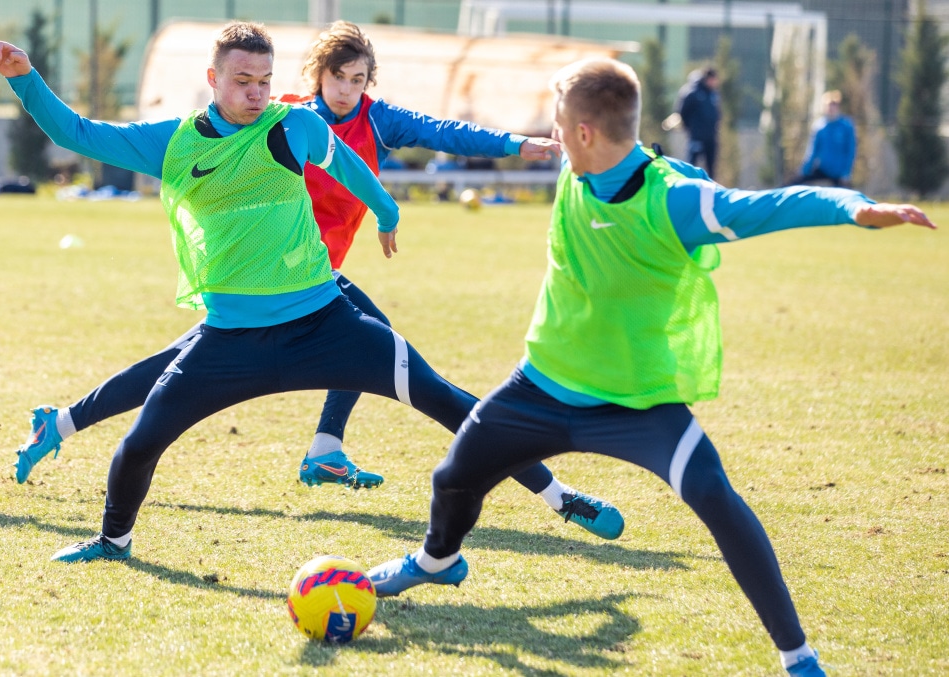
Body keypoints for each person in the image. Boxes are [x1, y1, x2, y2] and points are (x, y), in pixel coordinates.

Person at [367, 57, 936, 676]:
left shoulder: (678, 200)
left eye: (559, 127)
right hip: (540, 386)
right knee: (453, 478)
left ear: (585, 133)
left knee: (716, 498)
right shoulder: (574, 161)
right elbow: (480, 134)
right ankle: (437, 561)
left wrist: (855, 208)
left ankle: (798, 658)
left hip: (637, 403)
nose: (553, 138)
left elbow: (773, 204)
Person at [0, 22, 623, 563]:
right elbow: (76, 134)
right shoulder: (172, 142)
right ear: (213, 79)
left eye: (264, 81)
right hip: (229, 338)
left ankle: (563, 499)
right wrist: (23, 77)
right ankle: (112, 541)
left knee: (449, 400)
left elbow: (349, 164)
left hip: (324, 321)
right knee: (140, 442)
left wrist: (389, 212)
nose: (256, 93)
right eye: (242, 81)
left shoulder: (292, 126)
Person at [789, 90, 856, 187]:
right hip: (823, 169)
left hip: (839, 173)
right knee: (794, 183)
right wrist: (804, 171)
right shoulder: (819, 127)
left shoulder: (846, 126)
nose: (831, 108)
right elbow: (812, 151)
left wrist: (846, 173)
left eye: (834, 105)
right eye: (829, 105)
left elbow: (850, 151)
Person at [676, 66, 720, 178]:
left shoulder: (712, 94)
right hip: (697, 136)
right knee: (692, 164)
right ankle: (689, 186)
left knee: (711, 167)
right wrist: (690, 127)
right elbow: (683, 111)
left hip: (711, 136)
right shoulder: (693, 93)